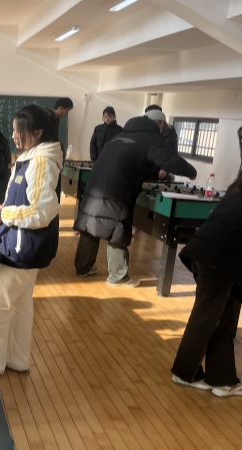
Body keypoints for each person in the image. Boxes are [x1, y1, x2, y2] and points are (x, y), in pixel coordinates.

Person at [0, 105, 63, 380]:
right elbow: (28, 200)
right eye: (13, 129)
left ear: (37, 133)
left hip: (25, 247)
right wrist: (5, 208)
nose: (14, 135)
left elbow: (41, 211)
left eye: (19, 131)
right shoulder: (30, 158)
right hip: (23, 244)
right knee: (20, 305)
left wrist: (4, 215)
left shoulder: (41, 162)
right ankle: (17, 359)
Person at [73, 115, 197, 287]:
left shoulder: (118, 137)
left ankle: (82, 268)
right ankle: (118, 276)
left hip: (95, 187)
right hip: (118, 191)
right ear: (157, 124)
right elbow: (170, 160)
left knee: (91, 226)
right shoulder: (150, 139)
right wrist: (191, 172)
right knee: (117, 229)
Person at [170, 167, 242, 397]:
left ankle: (223, 380)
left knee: (224, 316)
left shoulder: (235, 190)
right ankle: (184, 372)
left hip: (207, 255)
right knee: (206, 318)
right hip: (218, 260)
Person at [144, 107, 177, 181]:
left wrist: (164, 168)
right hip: (146, 168)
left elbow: (171, 150)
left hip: (158, 170)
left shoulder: (169, 130)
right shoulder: (147, 129)